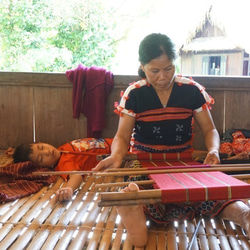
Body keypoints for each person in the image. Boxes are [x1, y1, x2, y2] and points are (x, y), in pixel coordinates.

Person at [93, 33, 250, 248]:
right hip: (145, 161)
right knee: (143, 190)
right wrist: (117, 155)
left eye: (168, 68)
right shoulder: (134, 94)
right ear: (142, 66)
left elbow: (210, 129)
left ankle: (246, 216)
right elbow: (122, 136)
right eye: (154, 71)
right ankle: (135, 210)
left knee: (214, 193)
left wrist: (213, 150)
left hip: (183, 160)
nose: (162, 77)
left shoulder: (191, 90)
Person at [11, 138, 112, 201]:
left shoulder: (62, 148)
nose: (47, 152)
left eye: (41, 147)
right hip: (124, 156)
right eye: (41, 158)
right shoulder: (64, 163)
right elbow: (76, 176)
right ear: (42, 167)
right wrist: (69, 188)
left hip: (119, 143)